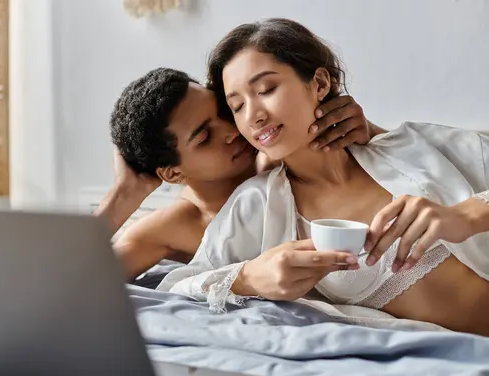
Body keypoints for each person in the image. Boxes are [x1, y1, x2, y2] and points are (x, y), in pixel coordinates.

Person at [157, 18, 489, 336]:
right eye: (237, 106)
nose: (254, 116)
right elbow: (174, 292)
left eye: (267, 89)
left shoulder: (411, 146)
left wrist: (469, 216)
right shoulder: (257, 204)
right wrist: (247, 278)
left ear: (319, 84)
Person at [95, 67, 386, 279]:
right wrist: (123, 196)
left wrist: (370, 132)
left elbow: (416, 163)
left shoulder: (283, 151)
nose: (233, 130)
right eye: (205, 137)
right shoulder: (175, 226)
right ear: (172, 174)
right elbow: (68, 288)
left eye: (224, 111)